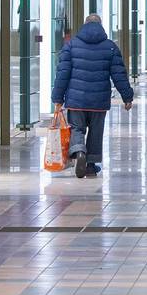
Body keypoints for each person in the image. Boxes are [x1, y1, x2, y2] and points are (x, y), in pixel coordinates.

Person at [52, 13, 133, 178]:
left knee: (77, 129)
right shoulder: (110, 46)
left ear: (84, 25)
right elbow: (119, 74)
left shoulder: (71, 46)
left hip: (76, 100)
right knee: (96, 131)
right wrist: (127, 96)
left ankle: (79, 151)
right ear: (101, 25)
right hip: (99, 101)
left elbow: (62, 74)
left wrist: (57, 98)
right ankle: (90, 164)